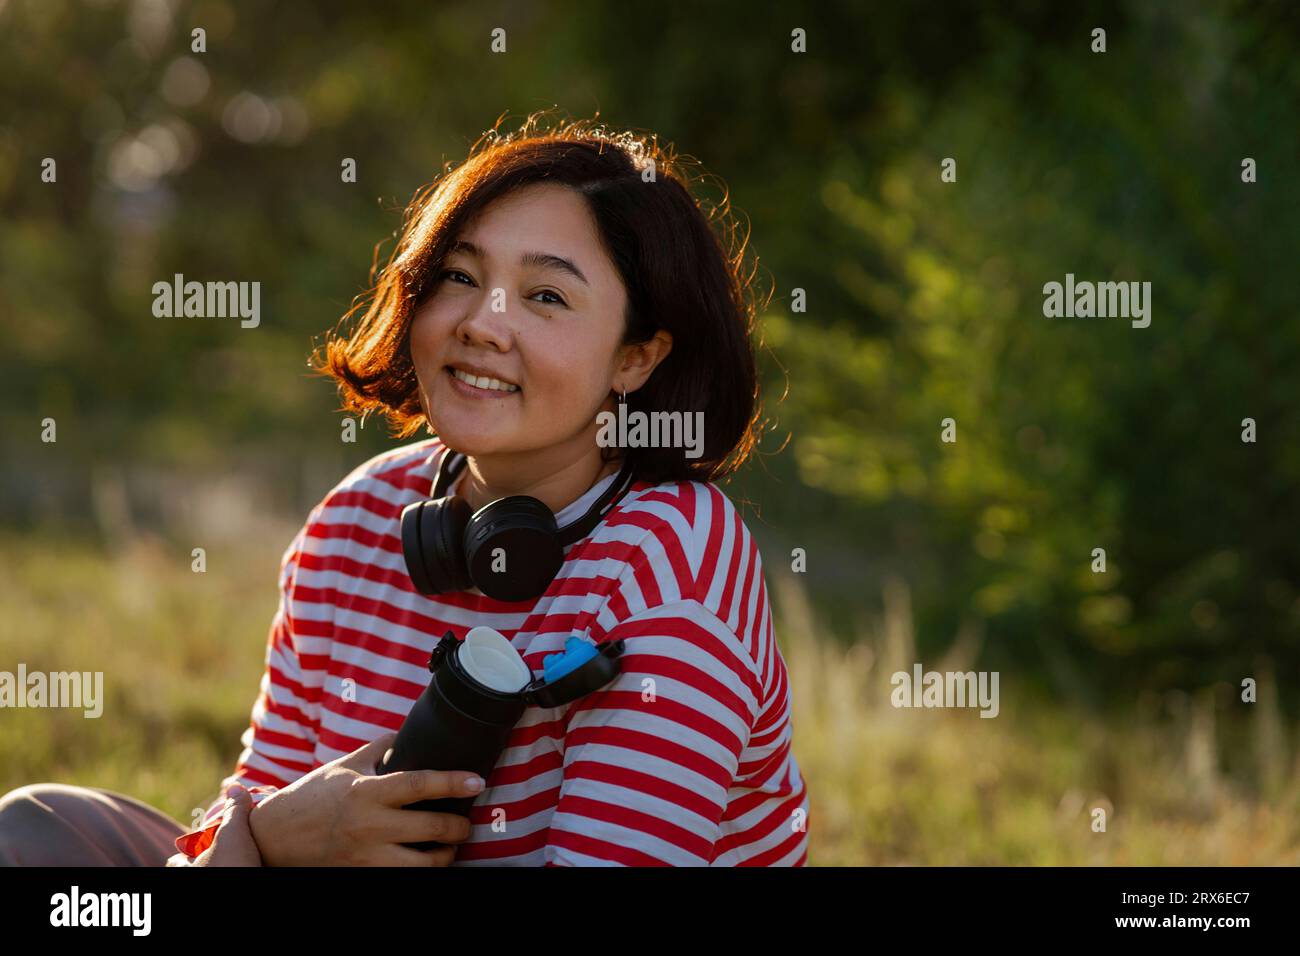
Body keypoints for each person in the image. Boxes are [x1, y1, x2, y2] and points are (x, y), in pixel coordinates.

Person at [0, 113, 809, 866]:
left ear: (637, 357)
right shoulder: (357, 516)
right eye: (458, 275)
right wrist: (276, 830)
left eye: (546, 296)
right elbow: (249, 803)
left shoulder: (673, 562)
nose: (482, 323)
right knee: (37, 828)